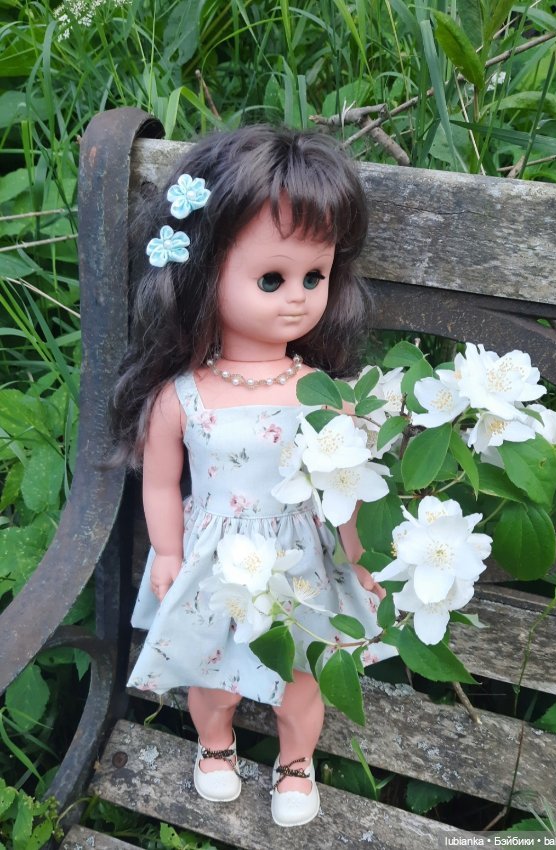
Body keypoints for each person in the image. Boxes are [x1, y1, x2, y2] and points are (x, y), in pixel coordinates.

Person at [110, 125, 393, 828]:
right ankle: (215, 744)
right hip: (217, 560)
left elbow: (343, 489)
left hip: (301, 560)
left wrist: (357, 558)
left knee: (302, 672)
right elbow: (160, 483)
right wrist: (167, 552)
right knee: (212, 671)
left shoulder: (325, 394)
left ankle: (296, 761)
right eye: (272, 278)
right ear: (203, 271)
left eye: (314, 277)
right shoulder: (183, 396)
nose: (297, 297)